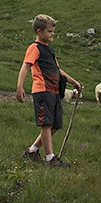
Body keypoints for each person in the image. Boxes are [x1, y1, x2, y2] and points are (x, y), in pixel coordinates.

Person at [16, 14, 83, 167]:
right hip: (42, 90)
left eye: (53, 31)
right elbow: (26, 66)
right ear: (39, 32)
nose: (53, 34)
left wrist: (74, 82)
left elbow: (57, 70)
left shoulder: (49, 50)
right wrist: (20, 86)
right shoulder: (34, 48)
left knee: (56, 125)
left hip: (54, 91)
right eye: (50, 31)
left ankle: (32, 151)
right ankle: (50, 158)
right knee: (46, 124)